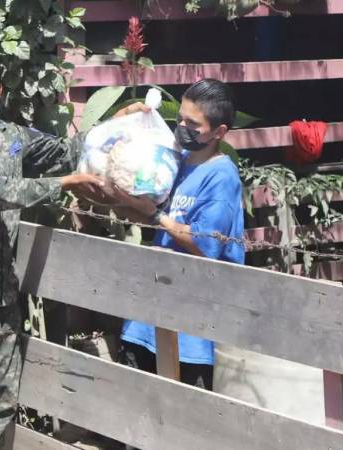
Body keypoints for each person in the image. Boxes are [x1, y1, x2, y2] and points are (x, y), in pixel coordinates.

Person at [0, 48, 146, 450]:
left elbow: (64, 152)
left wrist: (111, 125)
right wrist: (64, 184)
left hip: (2, 291)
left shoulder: (11, 136)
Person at [115, 79, 245, 391]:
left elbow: (206, 243)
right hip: (148, 318)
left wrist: (156, 215)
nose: (183, 128)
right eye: (180, 120)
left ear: (219, 132)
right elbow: (146, 211)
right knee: (134, 411)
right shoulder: (175, 162)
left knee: (187, 423)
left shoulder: (222, 177)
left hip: (192, 330)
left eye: (193, 124)